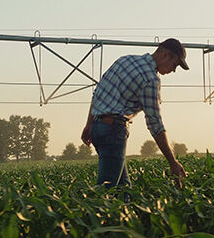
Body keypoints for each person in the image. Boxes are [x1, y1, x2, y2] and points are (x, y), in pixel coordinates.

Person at [81, 38, 189, 188]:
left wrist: (89, 124)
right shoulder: (150, 79)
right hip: (113, 131)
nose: (174, 70)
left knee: (124, 189)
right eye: (175, 64)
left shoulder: (125, 60)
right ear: (165, 55)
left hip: (97, 128)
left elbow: (98, 93)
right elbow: (155, 124)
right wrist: (173, 162)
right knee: (106, 191)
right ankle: (78, 211)